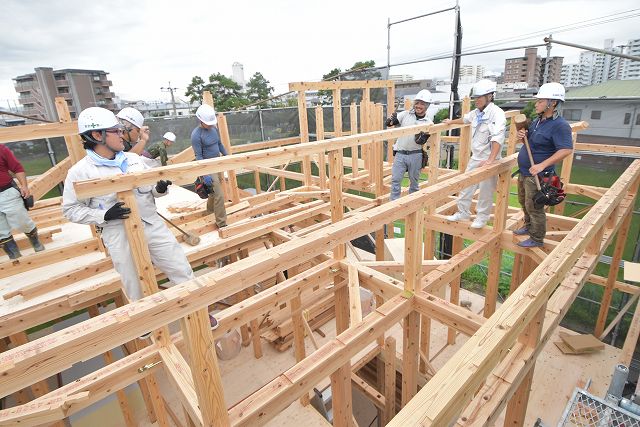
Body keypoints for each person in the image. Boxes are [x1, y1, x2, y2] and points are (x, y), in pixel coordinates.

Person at [62, 108, 205, 314]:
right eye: (116, 131)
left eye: (121, 130)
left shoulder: (134, 160)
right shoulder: (80, 172)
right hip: (118, 231)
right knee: (133, 281)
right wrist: (103, 215)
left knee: (180, 268)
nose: (122, 134)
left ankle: (198, 309)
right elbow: (70, 210)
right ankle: (144, 320)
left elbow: (150, 191)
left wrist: (160, 188)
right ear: (96, 135)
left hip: (151, 223)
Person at [514, 82, 573, 248]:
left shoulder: (560, 125)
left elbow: (566, 149)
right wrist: (522, 135)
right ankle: (528, 226)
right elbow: (530, 142)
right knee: (523, 201)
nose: (536, 103)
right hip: (526, 171)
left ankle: (537, 238)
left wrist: (542, 165)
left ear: (552, 103)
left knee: (534, 206)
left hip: (539, 175)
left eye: (540, 101)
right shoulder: (538, 121)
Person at [445, 79, 506, 229]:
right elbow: (465, 119)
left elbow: (498, 138)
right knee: (466, 185)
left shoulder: (497, 114)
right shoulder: (476, 113)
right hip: (476, 157)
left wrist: (490, 161)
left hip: (489, 158)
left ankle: (481, 218)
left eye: (479, 97)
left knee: (485, 190)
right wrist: (450, 122)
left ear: (490, 97)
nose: (476, 100)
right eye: (475, 98)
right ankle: (463, 212)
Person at [386, 90, 433, 201]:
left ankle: (413, 204)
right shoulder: (405, 114)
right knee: (396, 180)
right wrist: (390, 121)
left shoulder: (429, 122)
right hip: (400, 153)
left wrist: (423, 139)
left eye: (422, 104)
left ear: (427, 106)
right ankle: (394, 205)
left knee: (414, 182)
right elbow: (390, 123)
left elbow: (427, 141)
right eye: (417, 103)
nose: (419, 106)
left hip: (415, 155)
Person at [0, 145, 45, 259]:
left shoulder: (1, 149)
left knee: (22, 221)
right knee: (1, 231)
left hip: (6, 192)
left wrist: (24, 186)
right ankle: (14, 256)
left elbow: (17, 168)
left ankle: (36, 242)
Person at [191, 104, 227, 228]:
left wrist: (227, 156)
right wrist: (205, 174)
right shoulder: (196, 135)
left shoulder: (214, 129)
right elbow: (199, 157)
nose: (211, 124)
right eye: (208, 123)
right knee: (220, 195)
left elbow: (219, 144)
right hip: (208, 167)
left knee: (213, 192)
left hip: (218, 164)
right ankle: (221, 223)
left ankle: (210, 212)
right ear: (201, 120)